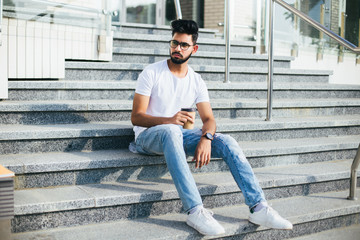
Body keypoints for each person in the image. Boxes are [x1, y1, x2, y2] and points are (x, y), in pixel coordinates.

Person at [130, 19, 293, 236]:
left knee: (227, 142)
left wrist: (206, 138)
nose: (177, 49)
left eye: (183, 45)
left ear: (194, 49)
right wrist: (169, 120)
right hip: (148, 137)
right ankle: (195, 210)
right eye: (174, 43)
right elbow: (136, 117)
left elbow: (209, 119)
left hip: (179, 135)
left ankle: (258, 207)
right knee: (171, 131)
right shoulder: (152, 73)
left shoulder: (196, 80)